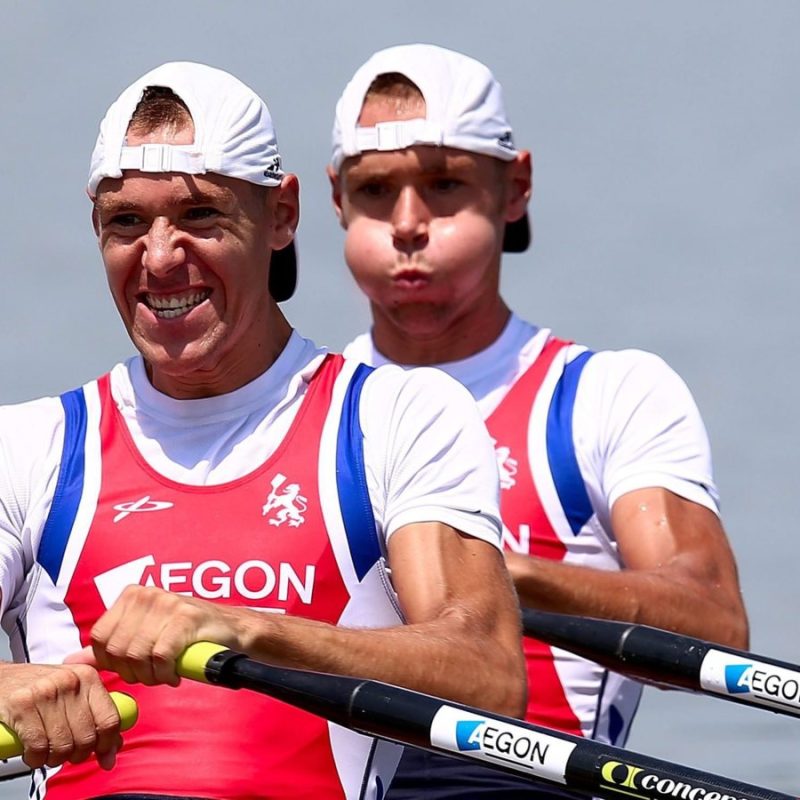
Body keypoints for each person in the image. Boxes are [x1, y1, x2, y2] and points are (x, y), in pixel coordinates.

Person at [0, 61, 527, 800]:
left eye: (200, 216)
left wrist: (248, 629)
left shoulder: (396, 417)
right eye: (126, 223)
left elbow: (489, 673)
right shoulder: (28, 446)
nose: (159, 257)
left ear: (281, 215)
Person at [328, 43, 750, 798]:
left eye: (445, 185)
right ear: (335, 201)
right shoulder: (303, 407)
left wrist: (485, 574)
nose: (408, 224)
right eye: (376, 191)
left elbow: (713, 621)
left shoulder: (607, 396)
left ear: (515, 187)